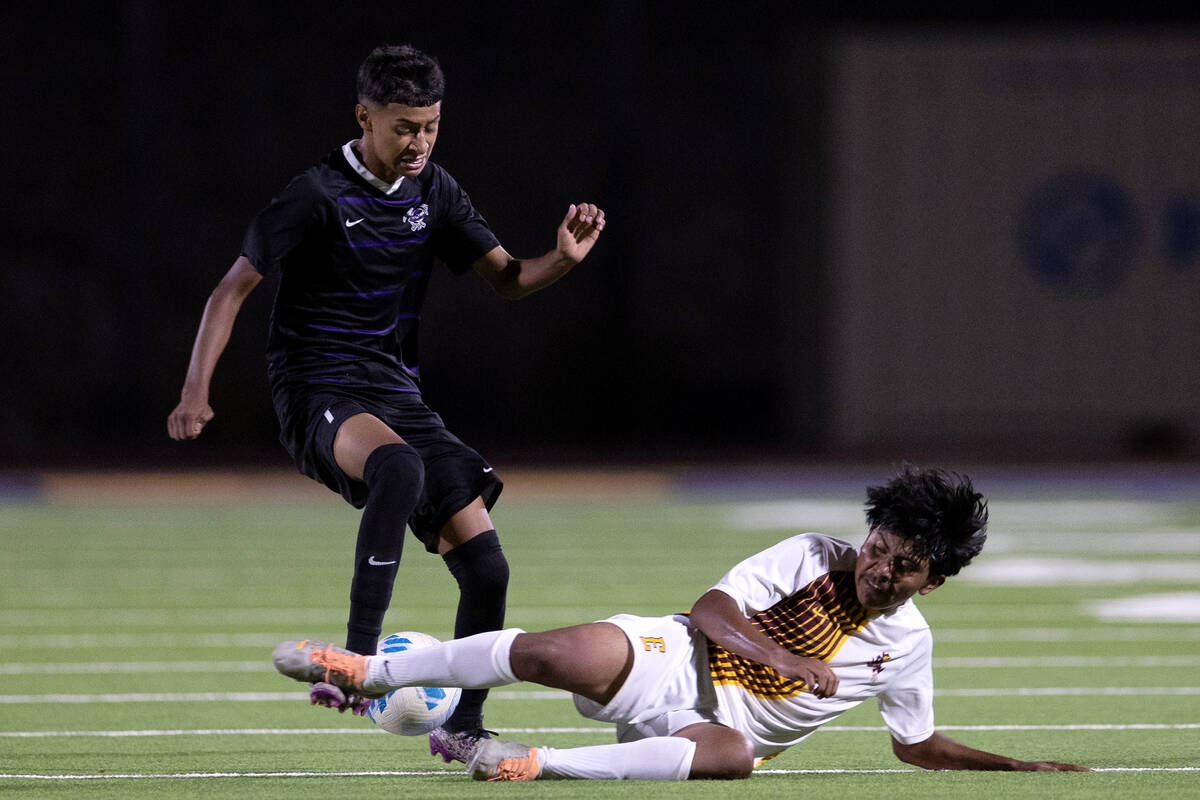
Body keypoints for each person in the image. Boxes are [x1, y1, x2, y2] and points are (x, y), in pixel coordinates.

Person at [167, 43, 606, 763]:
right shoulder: (315, 194)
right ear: (364, 117)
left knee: (488, 568)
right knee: (398, 469)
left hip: (395, 392)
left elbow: (508, 279)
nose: (420, 141)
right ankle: (357, 665)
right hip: (316, 390)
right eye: (404, 126)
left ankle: (465, 727)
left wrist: (560, 258)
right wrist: (195, 390)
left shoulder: (436, 191)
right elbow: (232, 288)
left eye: (431, 126)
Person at [273, 466, 1089, 781]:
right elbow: (711, 611)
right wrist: (785, 659)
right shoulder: (813, 554)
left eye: (904, 565)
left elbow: (914, 743)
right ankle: (366, 671)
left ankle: (527, 762)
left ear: (933, 582)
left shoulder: (908, 647)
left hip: (709, 732)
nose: (880, 566)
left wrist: (1015, 767)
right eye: (880, 545)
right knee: (556, 652)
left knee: (736, 758)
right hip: (678, 657)